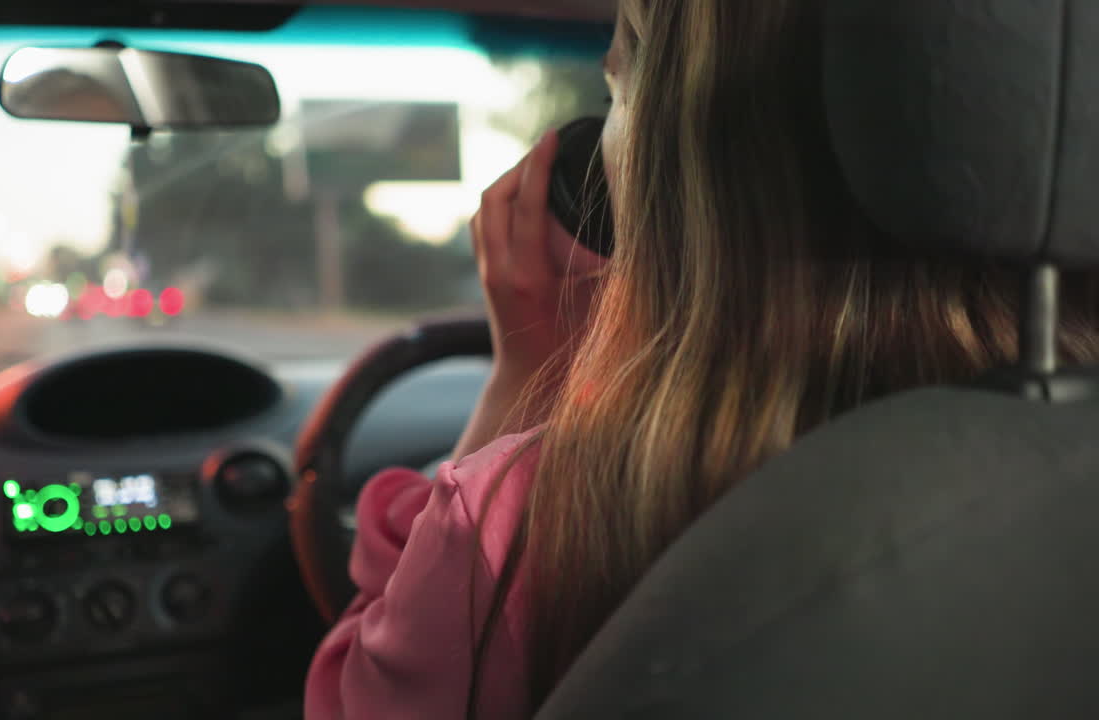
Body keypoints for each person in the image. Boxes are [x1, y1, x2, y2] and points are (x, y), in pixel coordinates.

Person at [305, 0, 1099, 717]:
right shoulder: (1060, 459)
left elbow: (357, 699)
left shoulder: (518, 524)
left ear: (677, 166)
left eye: (615, 92)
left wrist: (523, 375)